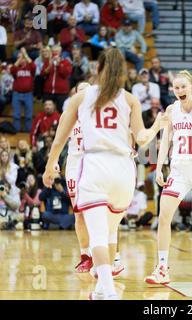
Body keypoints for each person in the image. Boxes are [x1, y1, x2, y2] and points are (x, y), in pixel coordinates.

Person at [42, 48, 166, 300]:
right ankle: (100, 289)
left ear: (97, 69)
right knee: (110, 232)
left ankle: (108, 289)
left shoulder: (81, 97)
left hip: (96, 165)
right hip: (123, 170)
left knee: (97, 234)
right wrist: (157, 126)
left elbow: (60, 138)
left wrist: (50, 164)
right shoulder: (130, 99)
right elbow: (142, 140)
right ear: (122, 72)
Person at [144, 70, 192, 287]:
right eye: (176, 87)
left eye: (183, 87)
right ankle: (162, 268)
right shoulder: (171, 110)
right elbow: (166, 141)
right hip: (178, 169)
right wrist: (160, 167)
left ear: (191, 87)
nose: (179, 90)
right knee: (164, 216)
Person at [62, 82, 123, 276]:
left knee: (108, 214)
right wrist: (52, 162)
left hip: (97, 164)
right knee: (79, 214)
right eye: (80, 91)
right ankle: (86, 256)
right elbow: (58, 140)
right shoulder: (70, 115)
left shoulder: (101, 115)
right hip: (74, 166)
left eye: (87, 91)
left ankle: (114, 256)